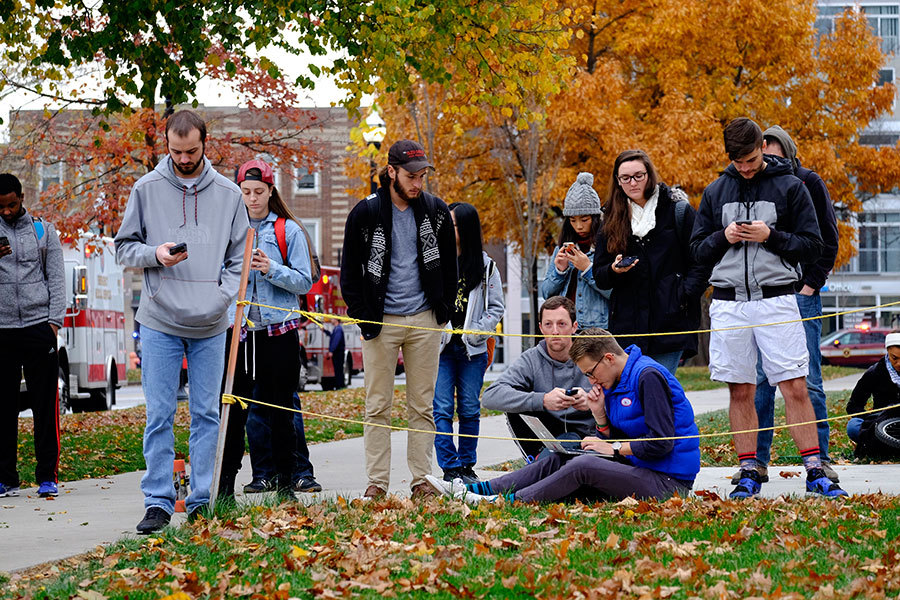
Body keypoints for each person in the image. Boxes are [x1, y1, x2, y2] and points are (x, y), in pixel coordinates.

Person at [689, 117, 847, 499]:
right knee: (740, 390)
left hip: (777, 299)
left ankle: (815, 469)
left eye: (750, 158)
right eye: (737, 161)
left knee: (795, 385)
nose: (744, 167)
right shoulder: (715, 191)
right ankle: (747, 471)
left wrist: (770, 236)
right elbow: (695, 251)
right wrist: (722, 237)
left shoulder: (792, 187)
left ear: (762, 147)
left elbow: (813, 244)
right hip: (728, 303)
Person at [115, 110, 249, 533]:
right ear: (166, 146)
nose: (184, 158)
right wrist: (155, 254)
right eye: (176, 151)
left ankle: (200, 500)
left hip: (210, 321)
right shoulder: (146, 188)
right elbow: (123, 248)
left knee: (207, 414)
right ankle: (157, 501)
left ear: (205, 143)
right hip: (159, 319)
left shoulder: (229, 195)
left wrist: (221, 297)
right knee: (159, 413)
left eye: (191, 151)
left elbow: (239, 260)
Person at [426, 328, 700, 503]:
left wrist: (611, 447)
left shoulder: (647, 377)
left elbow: (662, 443)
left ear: (607, 358)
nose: (591, 380)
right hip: (642, 469)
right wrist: (601, 418)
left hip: (668, 482)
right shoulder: (618, 379)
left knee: (583, 467)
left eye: (591, 372)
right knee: (562, 456)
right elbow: (623, 440)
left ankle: (504, 503)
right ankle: (477, 490)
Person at [340, 139, 457, 499]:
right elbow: (349, 273)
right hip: (381, 320)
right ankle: (377, 483)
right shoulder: (366, 213)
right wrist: (363, 316)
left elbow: (450, 267)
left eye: (422, 176)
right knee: (377, 405)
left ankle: (423, 479)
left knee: (423, 404)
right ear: (391, 172)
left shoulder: (436, 211)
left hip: (425, 318)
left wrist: (444, 311)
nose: (417, 183)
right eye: (411, 175)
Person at [735, 126, 841, 485]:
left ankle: (820, 459)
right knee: (760, 380)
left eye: (778, 155)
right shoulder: (749, 187)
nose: (772, 161)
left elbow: (827, 238)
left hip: (800, 293)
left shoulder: (806, 182)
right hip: (762, 296)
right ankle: (756, 461)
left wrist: (811, 285)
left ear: (789, 153)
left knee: (806, 379)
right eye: (768, 155)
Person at [218, 158, 318, 502]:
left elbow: (305, 280)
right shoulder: (229, 231)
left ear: (271, 191)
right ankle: (225, 488)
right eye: (245, 192)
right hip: (239, 334)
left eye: (259, 192)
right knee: (232, 410)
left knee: (281, 411)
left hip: (279, 332)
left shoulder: (288, 230)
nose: (252, 199)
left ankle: (287, 485)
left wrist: (272, 268)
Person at [594, 150, 708, 375]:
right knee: (634, 392)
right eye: (625, 178)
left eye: (639, 175)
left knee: (660, 388)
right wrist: (614, 270)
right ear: (617, 181)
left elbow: (701, 261)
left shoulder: (676, 210)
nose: (633, 182)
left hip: (670, 321)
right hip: (628, 326)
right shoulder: (610, 217)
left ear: (649, 174)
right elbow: (599, 274)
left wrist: (683, 294)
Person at [0, 173, 65, 499]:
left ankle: (47, 476)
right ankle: (5, 478)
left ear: (22, 198)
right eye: (1, 207)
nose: (7, 211)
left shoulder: (43, 231)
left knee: (44, 406)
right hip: (2, 330)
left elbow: (56, 278)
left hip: (39, 327)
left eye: (12, 204)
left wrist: (53, 323)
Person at [433, 202, 505, 483]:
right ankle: (449, 467)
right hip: (441, 347)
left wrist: (478, 330)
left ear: (466, 229)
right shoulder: (436, 262)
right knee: (440, 408)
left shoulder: (486, 267)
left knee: (469, 407)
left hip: (472, 349)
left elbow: (496, 307)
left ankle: (466, 465)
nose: (449, 231)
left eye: (453, 225)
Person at [481, 296, 595, 460]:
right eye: (548, 324)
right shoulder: (532, 359)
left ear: (574, 327)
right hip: (546, 433)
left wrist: (591, 401)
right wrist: (543, 400)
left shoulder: (592, 355)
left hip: (587, 435)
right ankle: (538, 462)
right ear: (541, 328)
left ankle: (537, 469)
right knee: (516, 406)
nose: (555, 331)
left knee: (555, 457)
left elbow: (623, 394)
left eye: (561, 324)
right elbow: (490, 397)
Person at [540, 172, 610, 329]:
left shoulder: (608, 247)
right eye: (573, 220)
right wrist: (559, 271)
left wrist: (587, 269)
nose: (578, 226)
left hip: (598, 331)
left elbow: (614, 293)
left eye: (585, 220)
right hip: (567, 330)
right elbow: (546, 295)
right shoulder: (562, 248)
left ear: (595, 218)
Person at [845, 332, 900, 443]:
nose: (899, 363)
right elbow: (853, 405)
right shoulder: (875, 372)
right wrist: (871, 418)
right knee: (853, 426)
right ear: (887, 352)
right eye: (895, 358)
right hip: (881, 422)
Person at [324, 317, 346, 389]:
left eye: (332, 319)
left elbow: (336, 340)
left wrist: (331, 350)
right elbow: (332, 336)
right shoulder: (336, 329)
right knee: (338, 369)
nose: (331, 320)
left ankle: (340, 385)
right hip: (338, 352)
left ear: (336, 320)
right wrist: (325, 331)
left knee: (338, 369)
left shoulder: (338, 329)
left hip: (338, 353)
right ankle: (340, 385)